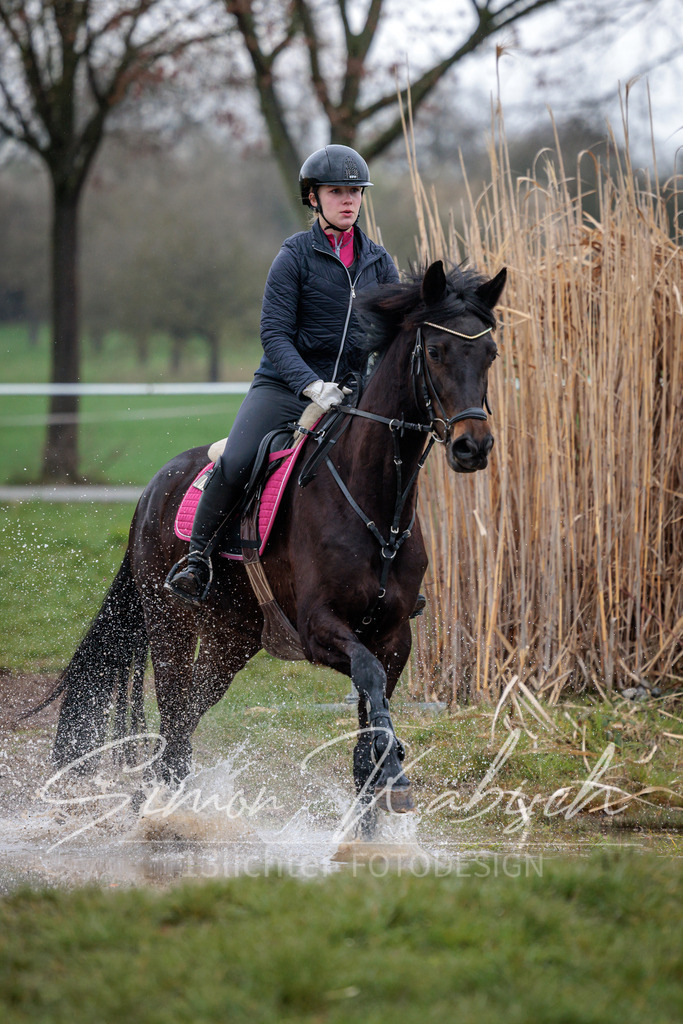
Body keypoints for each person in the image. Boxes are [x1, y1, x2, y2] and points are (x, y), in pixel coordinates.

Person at [165, 144, 400, 606]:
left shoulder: (379, 263)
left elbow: (390, 337)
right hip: (285, 389)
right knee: (235, 460)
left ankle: (394, 573)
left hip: (351, 396)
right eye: (336, 191)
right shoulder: (294, 256)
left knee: (391, 464)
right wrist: (310, 385)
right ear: (313, 198)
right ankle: (197, 560)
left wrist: (369, 382)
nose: (348, 199)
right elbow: (273, 334)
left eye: (355, 191)